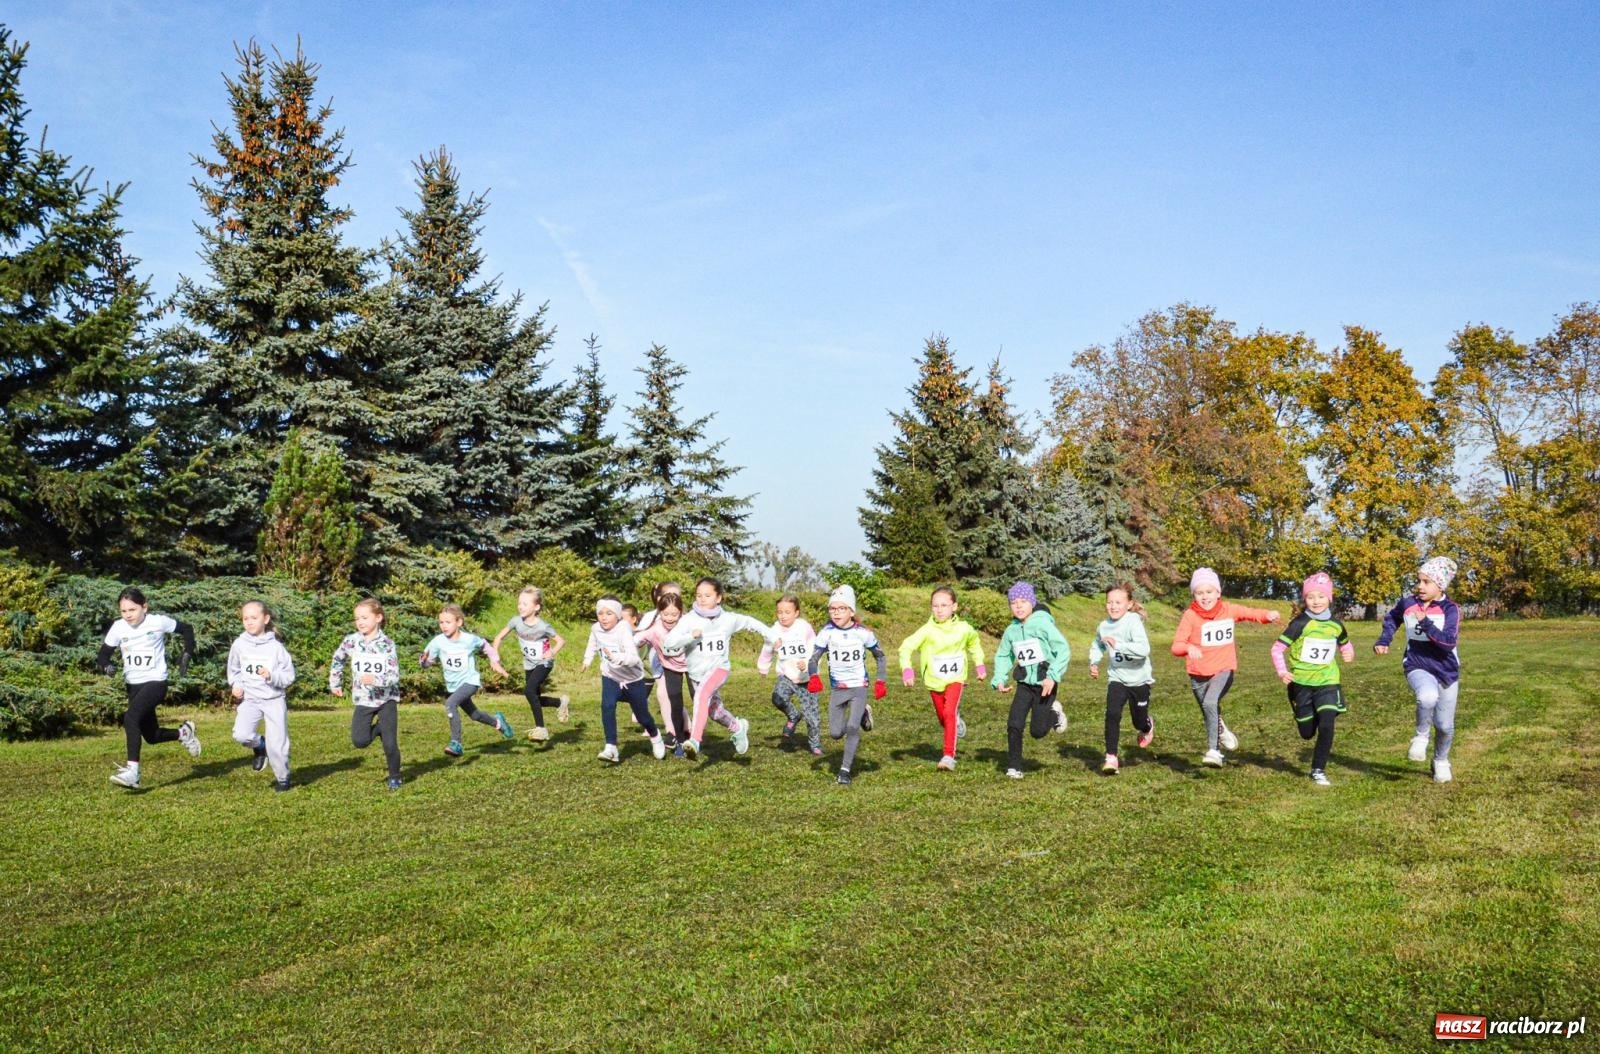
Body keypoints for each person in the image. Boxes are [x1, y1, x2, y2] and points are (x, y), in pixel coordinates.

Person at [1169, 568, 1279, 767]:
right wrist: (1188, 647)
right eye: (1199, 593)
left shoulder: (1228, 610)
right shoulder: (1190, 616)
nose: (1205, 597)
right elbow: (1176, 646)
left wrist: (1267, 615)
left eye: (1209, 592)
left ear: (1218, 593)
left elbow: (1250, 613)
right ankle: (1221, 730)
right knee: (1209, 711)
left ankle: (1213, 751)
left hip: (1223, 669)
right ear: (1193, 595)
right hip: (1198, 674)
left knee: (1210, 704)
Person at [661, 577, 775, 762]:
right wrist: (689, 636)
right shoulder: (688, 620)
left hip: (719, 669)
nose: (702, 599)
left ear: (719, 598)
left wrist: (772, 636)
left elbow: (751, 623)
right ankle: (738, 727)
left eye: (707, 595)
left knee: (701, 696)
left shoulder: (728, 619)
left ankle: (695, 741)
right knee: (714, 711)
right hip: (696, 674)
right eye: (698, 595)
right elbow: (668, 645)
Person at [98, 587, 200, 789]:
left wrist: (187, 653)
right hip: (133, 686)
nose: (128, 615)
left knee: (131, 718)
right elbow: (102, 655)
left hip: (156, 682)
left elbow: (186, 629)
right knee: (151, 736)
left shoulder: (158, 622)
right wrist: (106, 665)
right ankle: (184, 734)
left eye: (132, 610)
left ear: (144, 606)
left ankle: (133, 773)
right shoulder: (118, 628)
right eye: (124, 611)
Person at [1373, 556, 1462, 783]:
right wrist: (1384, 640)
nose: (1420, 586)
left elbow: (1447, 643)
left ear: (1440, 585)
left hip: (1446, 670)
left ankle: (1441, 761)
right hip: (1416, 664)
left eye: (1426, 582)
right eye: (1419, 581)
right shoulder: (1408, 603)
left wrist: (1425, 621)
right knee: (1426, 696)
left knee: (1444, 725)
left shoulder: (1451, 610)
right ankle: (1420, 737)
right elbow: (1392, 618)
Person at [1270, 572, 1355, 786]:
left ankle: (1318, 769)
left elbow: (1345, 642)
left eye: (1321, 596)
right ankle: (1305, 709)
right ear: (1305, 599)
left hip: (1328, 681)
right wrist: (1282, 672)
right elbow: (1277, 649)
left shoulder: (1336, 624)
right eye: (1310, 597)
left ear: (1329, 598)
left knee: (1327, 723)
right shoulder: (1300, 624)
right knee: (1307, 733)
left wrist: (1348, 653)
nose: (1316, 601)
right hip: (1301, 683)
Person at [805, 584, 887, 786]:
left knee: (851, 728)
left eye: (841, 608)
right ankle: (864, 715)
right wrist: (814, 676)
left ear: (851, 611)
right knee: (835, 733)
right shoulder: (826, 632)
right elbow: (813, 659)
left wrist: (880, 681)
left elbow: (881, 657)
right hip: (838, 689)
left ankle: (844, 771)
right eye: (832, 609)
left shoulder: (863, 633)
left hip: (859, 686)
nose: (836, 613)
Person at [897, 586, 985, 771]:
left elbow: (974, 644)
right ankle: (956, 722)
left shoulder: (964, 628)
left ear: (954, 607)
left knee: (949, 712)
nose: (939, 609)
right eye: (935, 606)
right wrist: (907, 670)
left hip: (956, 679)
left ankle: (948, 757)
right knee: (943, 718)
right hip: (934, 681)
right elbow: (906, 647)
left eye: (944, 605)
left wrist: (979, 664)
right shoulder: (927, 630)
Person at [990, 581, 1071, 780]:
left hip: (1045, 684)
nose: (1018, 606)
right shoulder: (1012, 631)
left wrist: (1052, 677)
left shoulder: (1043, 624)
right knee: (1014, 723)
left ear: (1032, 602)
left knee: (1037, 731)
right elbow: (1003, 655)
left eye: (1023, 601)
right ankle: (1014, 766)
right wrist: (999, 677)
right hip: (1024, 684)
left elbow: (1063, 649)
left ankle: (1055, 715)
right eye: (1013, 602)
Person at [330, 597, 404, 789]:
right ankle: (377, 729)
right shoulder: (351, 641)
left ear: (378, 618)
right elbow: (338, 659)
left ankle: (394, 776)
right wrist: (335, 682)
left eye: (365, 617)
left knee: (390, 743)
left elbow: (394, 675)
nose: (360, 622)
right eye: (357, 619)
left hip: (386, 699)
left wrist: (376, 680)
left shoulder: (387, 644)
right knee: (359, 740)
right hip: (363, 698)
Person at [580, 596, 666, 763]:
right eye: (600, 613)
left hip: (633, 679)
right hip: (610, 676)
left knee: (642, 717)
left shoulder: (623, 629)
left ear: (618, 615)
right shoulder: (596, 628)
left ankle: (655, 736)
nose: (604, 617)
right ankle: (611, 747)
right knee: (607, 706)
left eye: (609, 613)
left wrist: (617, 659)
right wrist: (587, 660)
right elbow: (593, 643)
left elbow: (634, 658)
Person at [421, 603, 511, 757]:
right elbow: (428, 661)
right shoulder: (438, 641)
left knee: (450, 704)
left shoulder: (469, 639)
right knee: (474, 715)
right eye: (441, 622)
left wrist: (494, 660)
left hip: (470, 682)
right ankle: (498, 722)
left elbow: (486, 646)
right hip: (453, 686)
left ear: (459, 622)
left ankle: (456, 743)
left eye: (448, 622)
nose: (444, 626)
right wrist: (424, 662)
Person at [226, 599, 296, 791]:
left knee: (277, 744)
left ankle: (283, 778)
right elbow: (234, 670)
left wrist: (272, 676)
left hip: (273, 700)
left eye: (253, 618)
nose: (249, 622)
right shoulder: (239, 644)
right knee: (241, 735)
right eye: (245, 618)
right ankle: (259, 745)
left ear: (265, 619)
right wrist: (236, 685)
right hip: (250, 700)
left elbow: (289, 676)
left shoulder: (276, 648)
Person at [1087, 583, 1154, 775]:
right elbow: (1098, 645)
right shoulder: (1103, 626)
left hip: (1139, 680)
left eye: (1118, 602)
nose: (1113, 606)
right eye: (1109, 602)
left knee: (1138, 722)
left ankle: (1147, 726)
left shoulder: (1133, 622)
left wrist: (1120, 645)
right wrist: (1094, 662)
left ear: (1129, 604)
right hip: (1116, 677)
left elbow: (1144, 650)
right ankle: (1111, 757)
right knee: (1112, 713)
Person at [491, 586, 568, 743]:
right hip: (529, 664)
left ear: (536, 607)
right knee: (534, 698)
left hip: (544, 663)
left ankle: (541, 729)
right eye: (519, 603)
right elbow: (498, 638)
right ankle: (560, 702)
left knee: (528, 691)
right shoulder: (515, 621)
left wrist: (552, 652)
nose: (520, 606)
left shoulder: (543, 626)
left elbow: (561, 640)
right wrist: (495, 656)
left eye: (525, 604)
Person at [758, 594, 824, 756]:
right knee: (777, 698)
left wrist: (808, 663)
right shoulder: (773, 631)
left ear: (796, 613)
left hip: (807, 678)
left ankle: (815, 744)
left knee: (812, 717)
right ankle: (793, 715)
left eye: (787, 612)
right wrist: (763, 666)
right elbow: (767, 649)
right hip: (786, 675)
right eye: (780, 612)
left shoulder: (804, 628)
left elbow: (815, 648)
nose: (783, 616)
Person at [632, 591, 692, 752]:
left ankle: (695, 737)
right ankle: (679, 740)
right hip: (671, 668)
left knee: (699, 699)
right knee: (675, 703)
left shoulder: (688, 623)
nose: (670, 618)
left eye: (674, 614)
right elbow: (637, 640)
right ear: (660, 612)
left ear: (681, 612)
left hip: (693, 666)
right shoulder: (655, 629)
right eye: (666, 614)